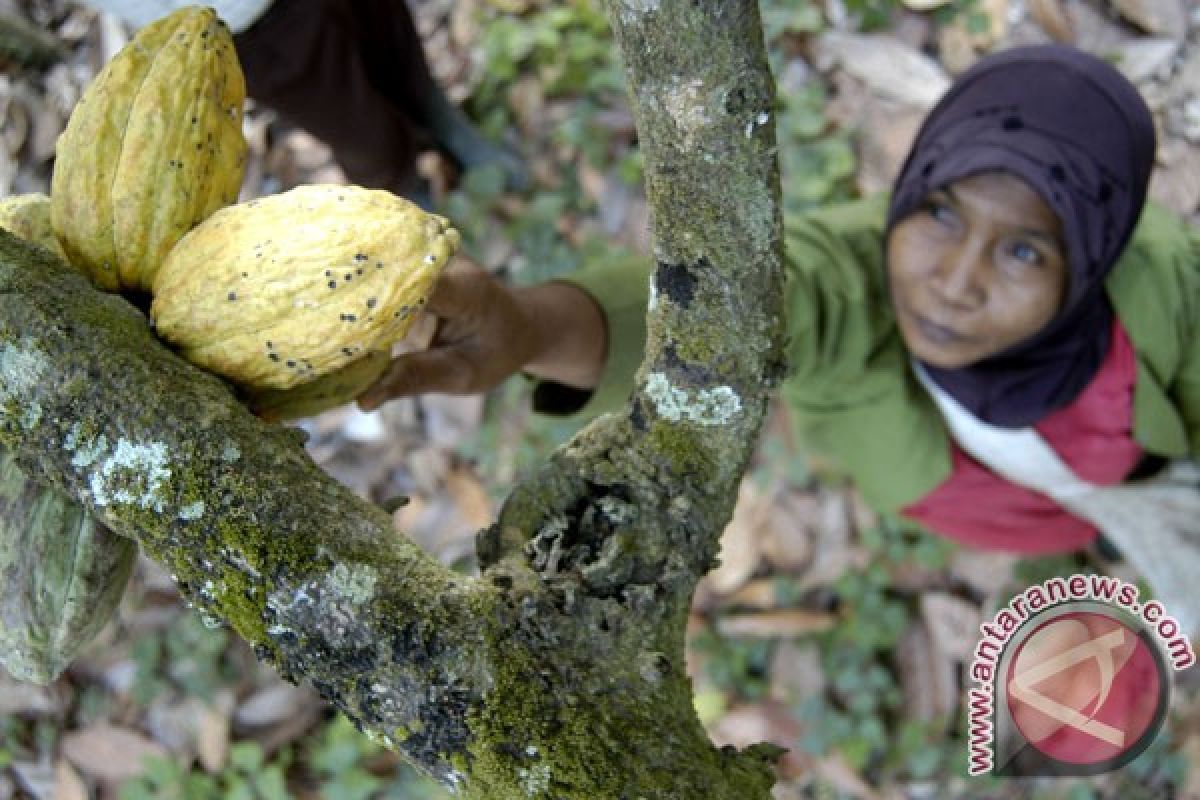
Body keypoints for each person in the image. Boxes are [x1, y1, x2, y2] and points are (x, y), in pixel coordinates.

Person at [355, 45, 1200, 635]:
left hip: (1141, 477)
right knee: (1065, 525)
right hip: (995, 501)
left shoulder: (1165, 293)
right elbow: (745, 304)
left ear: (1092, 257)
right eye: (940, 212)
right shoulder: (860, 274)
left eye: (1023, 250)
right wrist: (531, 325)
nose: (956, 279)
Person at [81, 0, 528, 208]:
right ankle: (416, 205)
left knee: (394, 48)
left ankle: (448, 130)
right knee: (362, 132)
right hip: (243, 19)